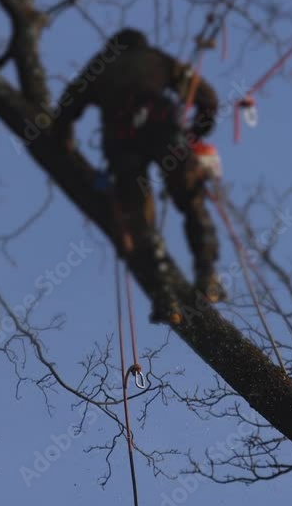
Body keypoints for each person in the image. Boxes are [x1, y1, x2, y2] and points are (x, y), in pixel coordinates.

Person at [52, 28, 224, 322]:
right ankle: (207, 273)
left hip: (122, 143)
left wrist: (64, 139)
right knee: (190, 197)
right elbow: (207, 97)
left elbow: (67, 106)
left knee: (139, 218)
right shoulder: (156, 59)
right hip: (164, 132)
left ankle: (163, 295)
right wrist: (198, 130)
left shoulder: (100, 67)